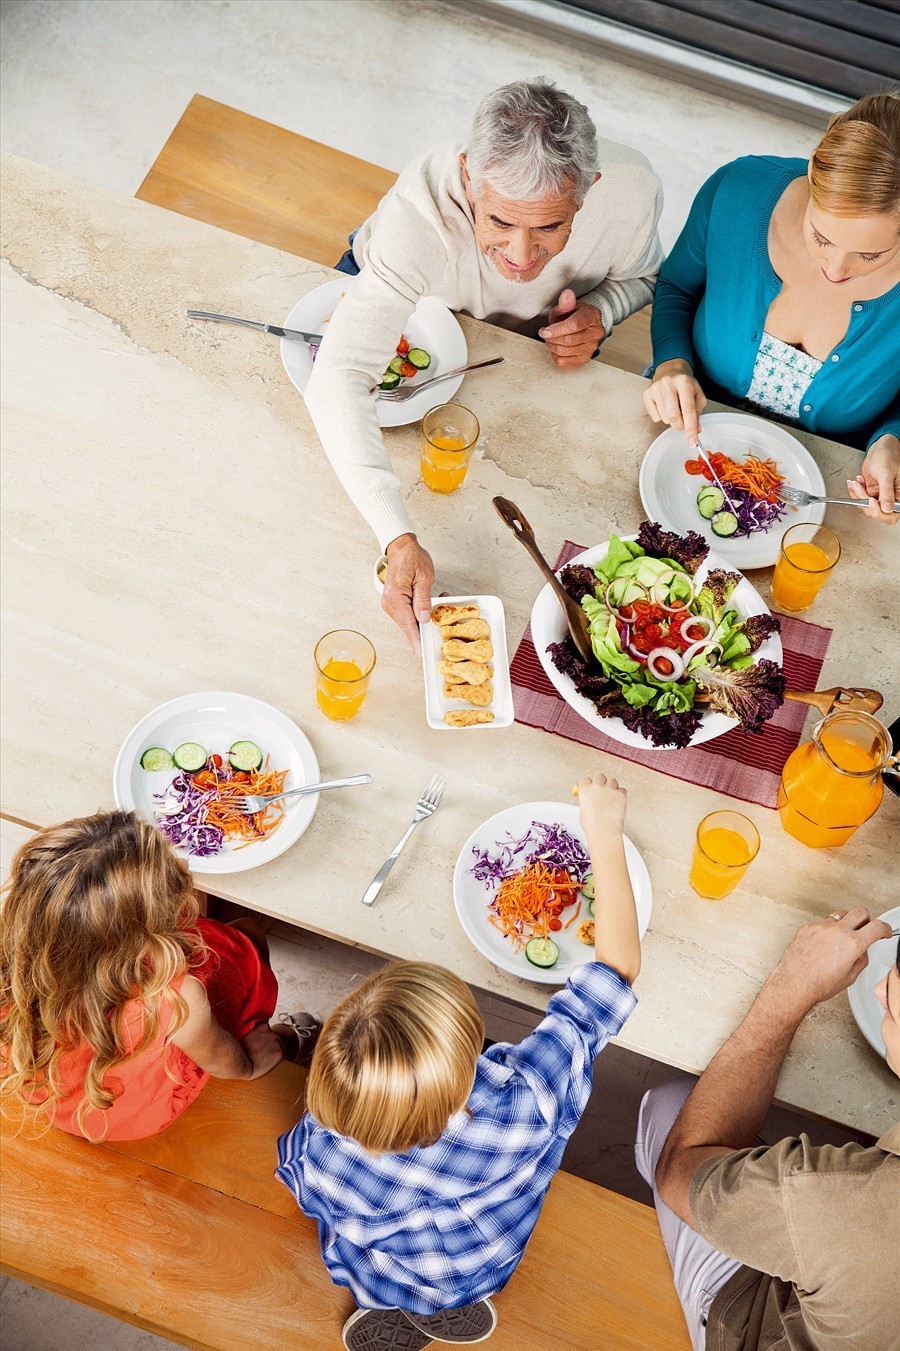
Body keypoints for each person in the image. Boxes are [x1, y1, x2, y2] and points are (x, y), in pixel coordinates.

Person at [276, 772, 641, 1351]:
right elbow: (614, 974)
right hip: (482, 1263)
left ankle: (395, 1307)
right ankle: (442, 1306)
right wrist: (605, 831)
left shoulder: (325, 1139)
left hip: (377, 1263)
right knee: (457, 1280)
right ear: (473, 1055)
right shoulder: (524, 1102)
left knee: (380, 1273)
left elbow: (299, 1180)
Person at [305, 79, 663, 646]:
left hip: (516, 342)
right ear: (469, 175)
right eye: (499, 222)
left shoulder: (633, 189)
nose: (521, 258)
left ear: (588, 190)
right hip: (409, 293)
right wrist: (397, 537)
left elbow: (643, 276)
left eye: (549, 226)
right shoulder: (417, 213)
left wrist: (602, 311)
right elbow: (338, 376)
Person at [635, 908, 898, 1351]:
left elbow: (680, 1171)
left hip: (755, 1325)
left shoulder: (847, 1201)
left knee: (669, 1105)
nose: (878, 988)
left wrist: (792, 987)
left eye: (891, 995)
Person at [644, 91, 900, 526]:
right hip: (681, 448)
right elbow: (676, 287)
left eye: (870, 255)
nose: (836, 269)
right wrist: (671, 365)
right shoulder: (738, 190)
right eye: (822, 238)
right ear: (816, 166)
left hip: (828, 493)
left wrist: (890, 441)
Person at [0, 811, 318, 1141]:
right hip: (133, 1110)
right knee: (248, 938)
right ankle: (288, 1039)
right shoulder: (178, 997)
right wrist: (250, 1065)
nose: (184, 866)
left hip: (61, 1093)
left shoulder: (16, 943)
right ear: (135, 934)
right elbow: (221, 1060)